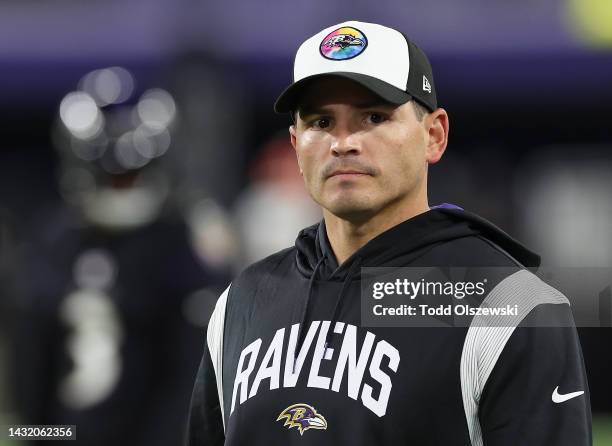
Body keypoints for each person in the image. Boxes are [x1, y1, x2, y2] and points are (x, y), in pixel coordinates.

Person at [187, 20, 591, 445]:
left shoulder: (507, 305)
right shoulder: (242, 301)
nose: (342, 143)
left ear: (434, 135)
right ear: (295, 145)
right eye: (321, 122)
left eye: (373, 117)